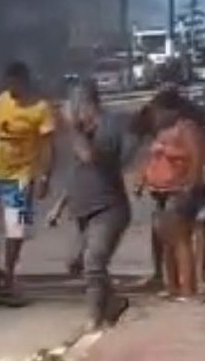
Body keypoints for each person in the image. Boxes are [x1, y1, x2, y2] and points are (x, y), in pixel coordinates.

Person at [46, 80, 131, 331]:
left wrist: (71, 127)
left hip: (109, 209)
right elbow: (77, 172)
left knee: (94, 263)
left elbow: (89, 156)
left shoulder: (108, 127)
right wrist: (58, 207)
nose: (72, 110)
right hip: (84, 209)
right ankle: (113, 301)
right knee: (75, 263)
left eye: (75, 105)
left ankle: (93, 319)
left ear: (87, 103)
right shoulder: (83, 130)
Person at [0, 61, 56, 290]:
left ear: (25, 82)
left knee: (15, 227)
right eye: (8, 83)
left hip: (20, 177)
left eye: (16, 83)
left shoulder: (41, 108)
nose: (12, 88)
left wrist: (45, 177)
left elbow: (48, 145)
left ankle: (9, 273)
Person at [131, 88, 205, 300]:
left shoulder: (187, 129)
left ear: (172, 110)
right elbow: (153, 160)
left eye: (160, 111)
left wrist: (190, 185)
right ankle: (172, 285)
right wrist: (142, 180)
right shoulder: (161, 131)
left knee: (180, 239)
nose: (157, 116)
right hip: (160, 190)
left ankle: (188, 288)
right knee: (165, 239)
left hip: (179, 188)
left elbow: (197, 157)